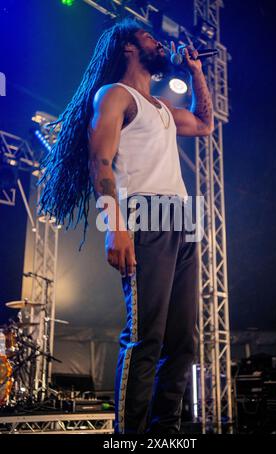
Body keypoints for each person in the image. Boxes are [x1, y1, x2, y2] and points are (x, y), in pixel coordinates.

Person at [38, 18, 213, 434]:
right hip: (144, 214)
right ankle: (129, 436)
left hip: (182, 218)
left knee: (183, 342)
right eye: (149, 38)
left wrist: (197, 73)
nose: (159, 43)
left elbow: (204, 124)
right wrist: (115, 226)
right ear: (129, 48)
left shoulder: (163, 108)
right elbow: (99, 163)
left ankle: (165, 432)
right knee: (145, 337)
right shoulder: (114, 95)